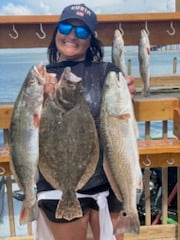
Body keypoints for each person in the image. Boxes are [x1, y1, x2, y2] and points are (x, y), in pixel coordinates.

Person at [35, 3, 136, 240]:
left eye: (81, 32)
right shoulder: (41, 77)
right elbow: (29, 128)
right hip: (59, 184)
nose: (71, 35)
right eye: (65, 27)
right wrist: (41, 98)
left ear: (91, 39)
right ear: (56, 31)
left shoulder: (108, 72)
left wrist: (129, 94)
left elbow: (119, 122)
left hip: (107, 182)